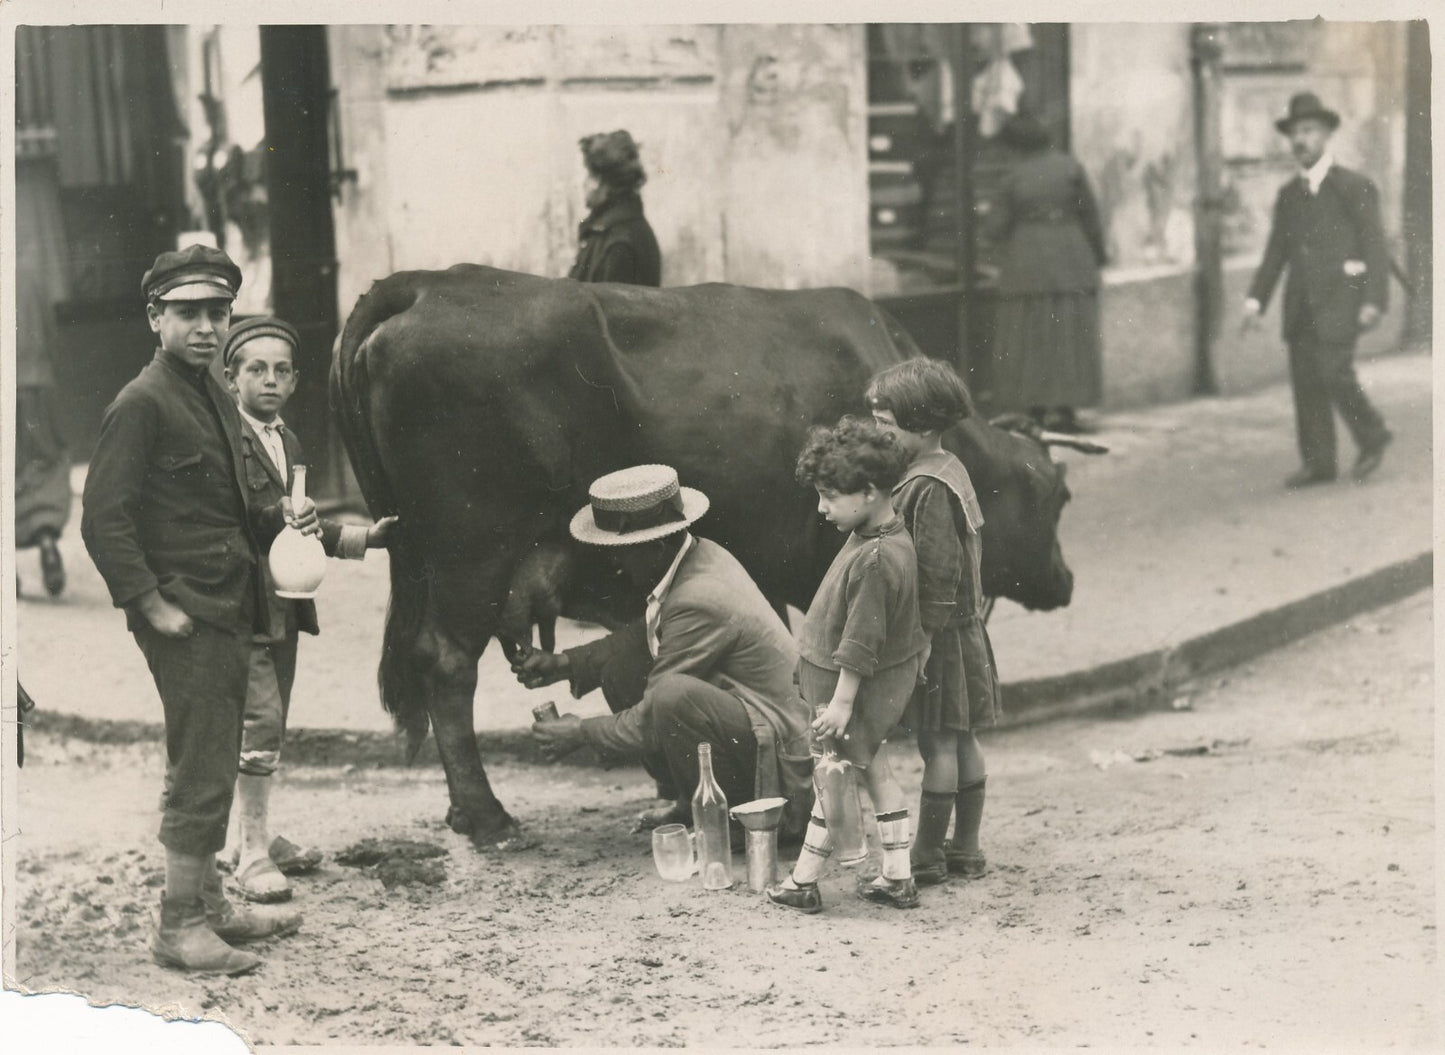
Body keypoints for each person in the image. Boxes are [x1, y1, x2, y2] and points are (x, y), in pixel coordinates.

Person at [80, 245, 307, 974]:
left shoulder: (207, 391)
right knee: (204, 760)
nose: (207, 328)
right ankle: (180, 927)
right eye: (188, 314)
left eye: (217, 313)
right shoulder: (143, 402)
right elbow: (103, 520)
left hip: (228, 603)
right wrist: (150, 604)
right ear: (155, 318)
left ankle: (209, 906)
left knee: (207, 752)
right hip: (186, 611)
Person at [510, 464, 812, 839]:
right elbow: (647, 635)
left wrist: (581, 732)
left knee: (671, 696)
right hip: (763, 729)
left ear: (657, 545)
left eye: (621, 551)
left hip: (785, 768)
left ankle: (739, 825)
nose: (614, 563)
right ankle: (693, 801)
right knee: (626, 667)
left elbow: (651, 718)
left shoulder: (699, 596)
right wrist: (566, 664)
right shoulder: (697, 556)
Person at [218, 316, 398, 902]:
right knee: (258, 723)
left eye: (281, 371)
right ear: (230, 377)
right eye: (255, 369)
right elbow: (251, 514)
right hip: (238, 600)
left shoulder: (288, 440)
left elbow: (299, 523)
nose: (269, 381)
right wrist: (279, 518)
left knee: (268, 721)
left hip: (283, 603)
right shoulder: (222, 437)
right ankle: (250, 855)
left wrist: (361, 540)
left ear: (295, 382)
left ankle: (245, 837)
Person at [767, 418, 930, 913]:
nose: (821, 508)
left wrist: (840, 704)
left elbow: (861, 642)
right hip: (848, 691)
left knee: (832, 778)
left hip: (846, 694)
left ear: (871, 490)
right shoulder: (876, 535)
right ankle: (897, 876)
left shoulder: (876, 559)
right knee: (872, 769)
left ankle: (803, 881)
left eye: (830, 496)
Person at [867, 358, 1001, 885]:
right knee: (962, 739)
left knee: (937, 744)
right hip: (962, 630)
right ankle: (964, 848)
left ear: (921, 427)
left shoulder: (927, 485)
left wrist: (921, 637)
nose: (879, 434)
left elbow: (939, 570)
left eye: (886, 425)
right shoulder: (950, 468)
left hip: (939, 635)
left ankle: (926, 853)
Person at [1242, 92, 1393, 489]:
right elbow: (1276, 253)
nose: (1300, 140)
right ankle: (1318, 462)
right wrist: (1255, 301)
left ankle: (1372, 434)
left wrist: (1374, 300)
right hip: (1302, 304)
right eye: (1294, 133)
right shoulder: (1288, 196)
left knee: (1334, 371)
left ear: (1326, 134)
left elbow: (1375, 247)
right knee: (1306, 379)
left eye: (1308, 131)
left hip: (1342, 300)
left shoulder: (1353, 187)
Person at [986, 112, 1108, 433]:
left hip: (1027, 261)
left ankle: (1033, 411)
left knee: (1029, 335)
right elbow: (1091, 217)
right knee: (1069, 333)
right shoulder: (1070, 168)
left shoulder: (1012, 177)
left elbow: (995, 227)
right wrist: (1099, 256)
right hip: (1071, 254)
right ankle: (1067, 411)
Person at [14, 266, 70, 597]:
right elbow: (51, 333)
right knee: (44, 461)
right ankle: (46, 537)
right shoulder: (27, 274)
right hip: (37, 383)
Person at [569, 130, 662, 286]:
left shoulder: (618, 243)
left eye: (586, 175)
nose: (579, 183)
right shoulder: (610, 232)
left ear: (598, 181)